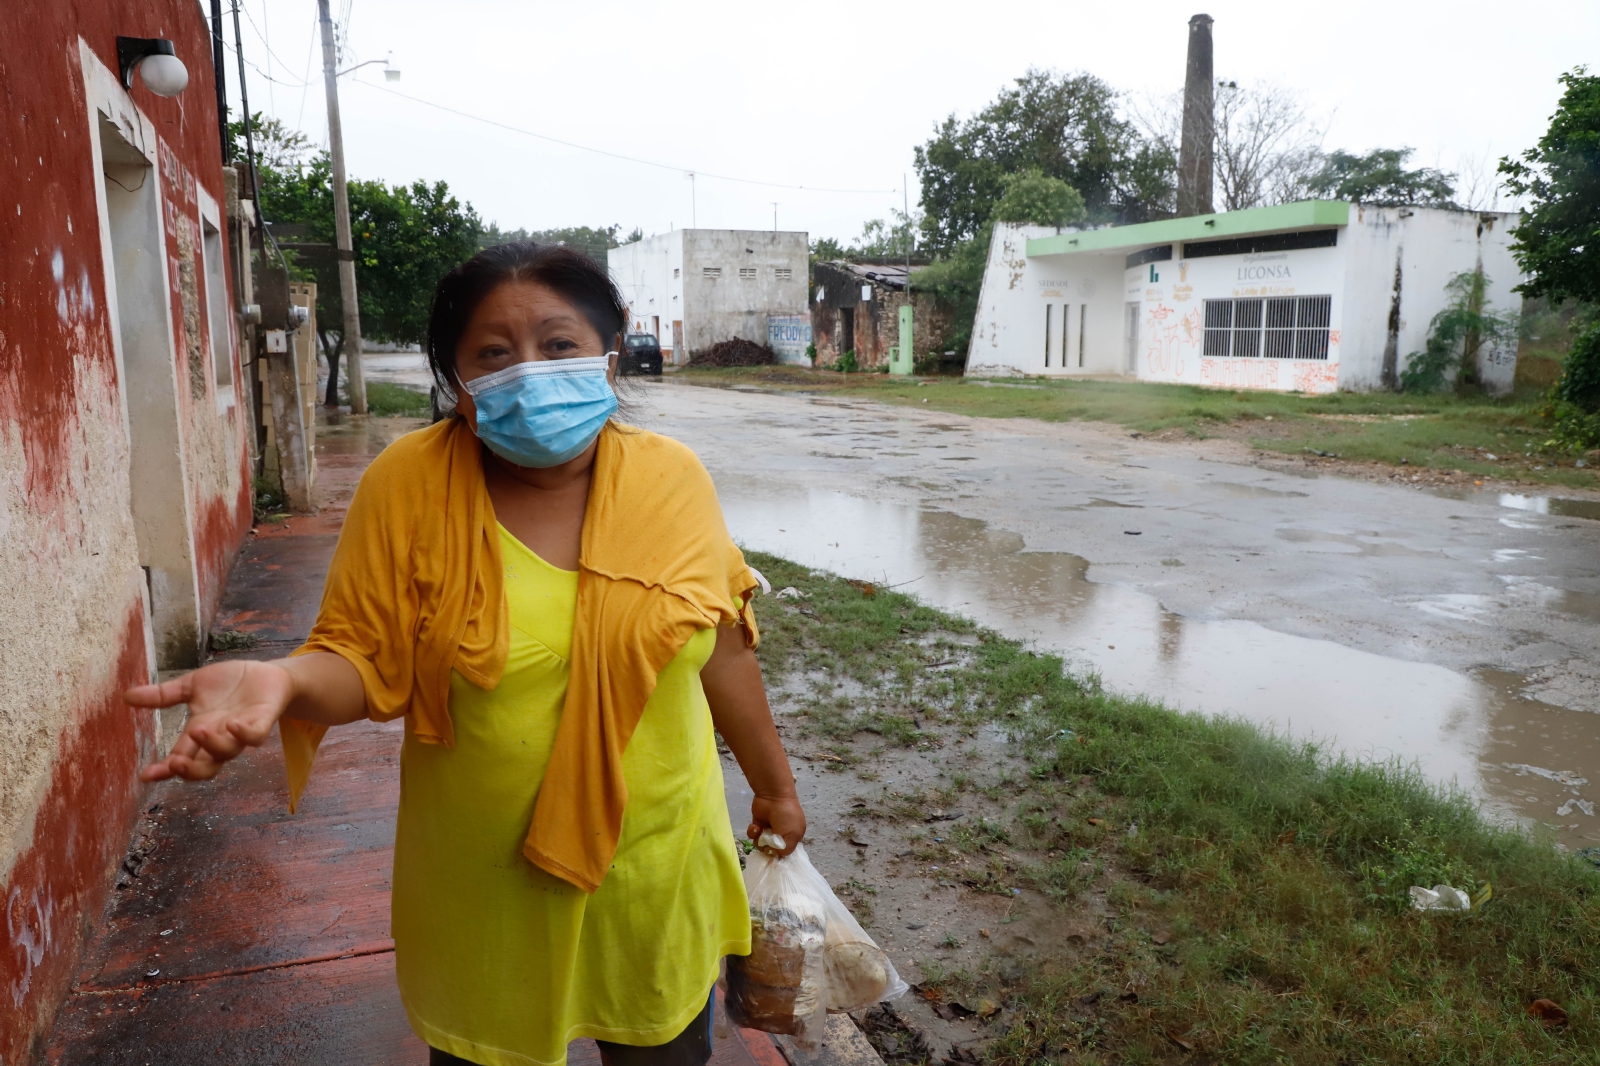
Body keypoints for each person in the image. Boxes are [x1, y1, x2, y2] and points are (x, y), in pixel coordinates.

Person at [125, 242, 807, 1066]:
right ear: (458, 379)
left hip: (655, 873)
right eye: (494, 353)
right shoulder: (407, 484)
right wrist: (283, 678)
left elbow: (722, 649)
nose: (530, 371)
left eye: (558, 346)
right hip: (485, 886)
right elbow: (358, 656)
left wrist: (776, 786)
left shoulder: (674, 479)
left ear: (609, 352)